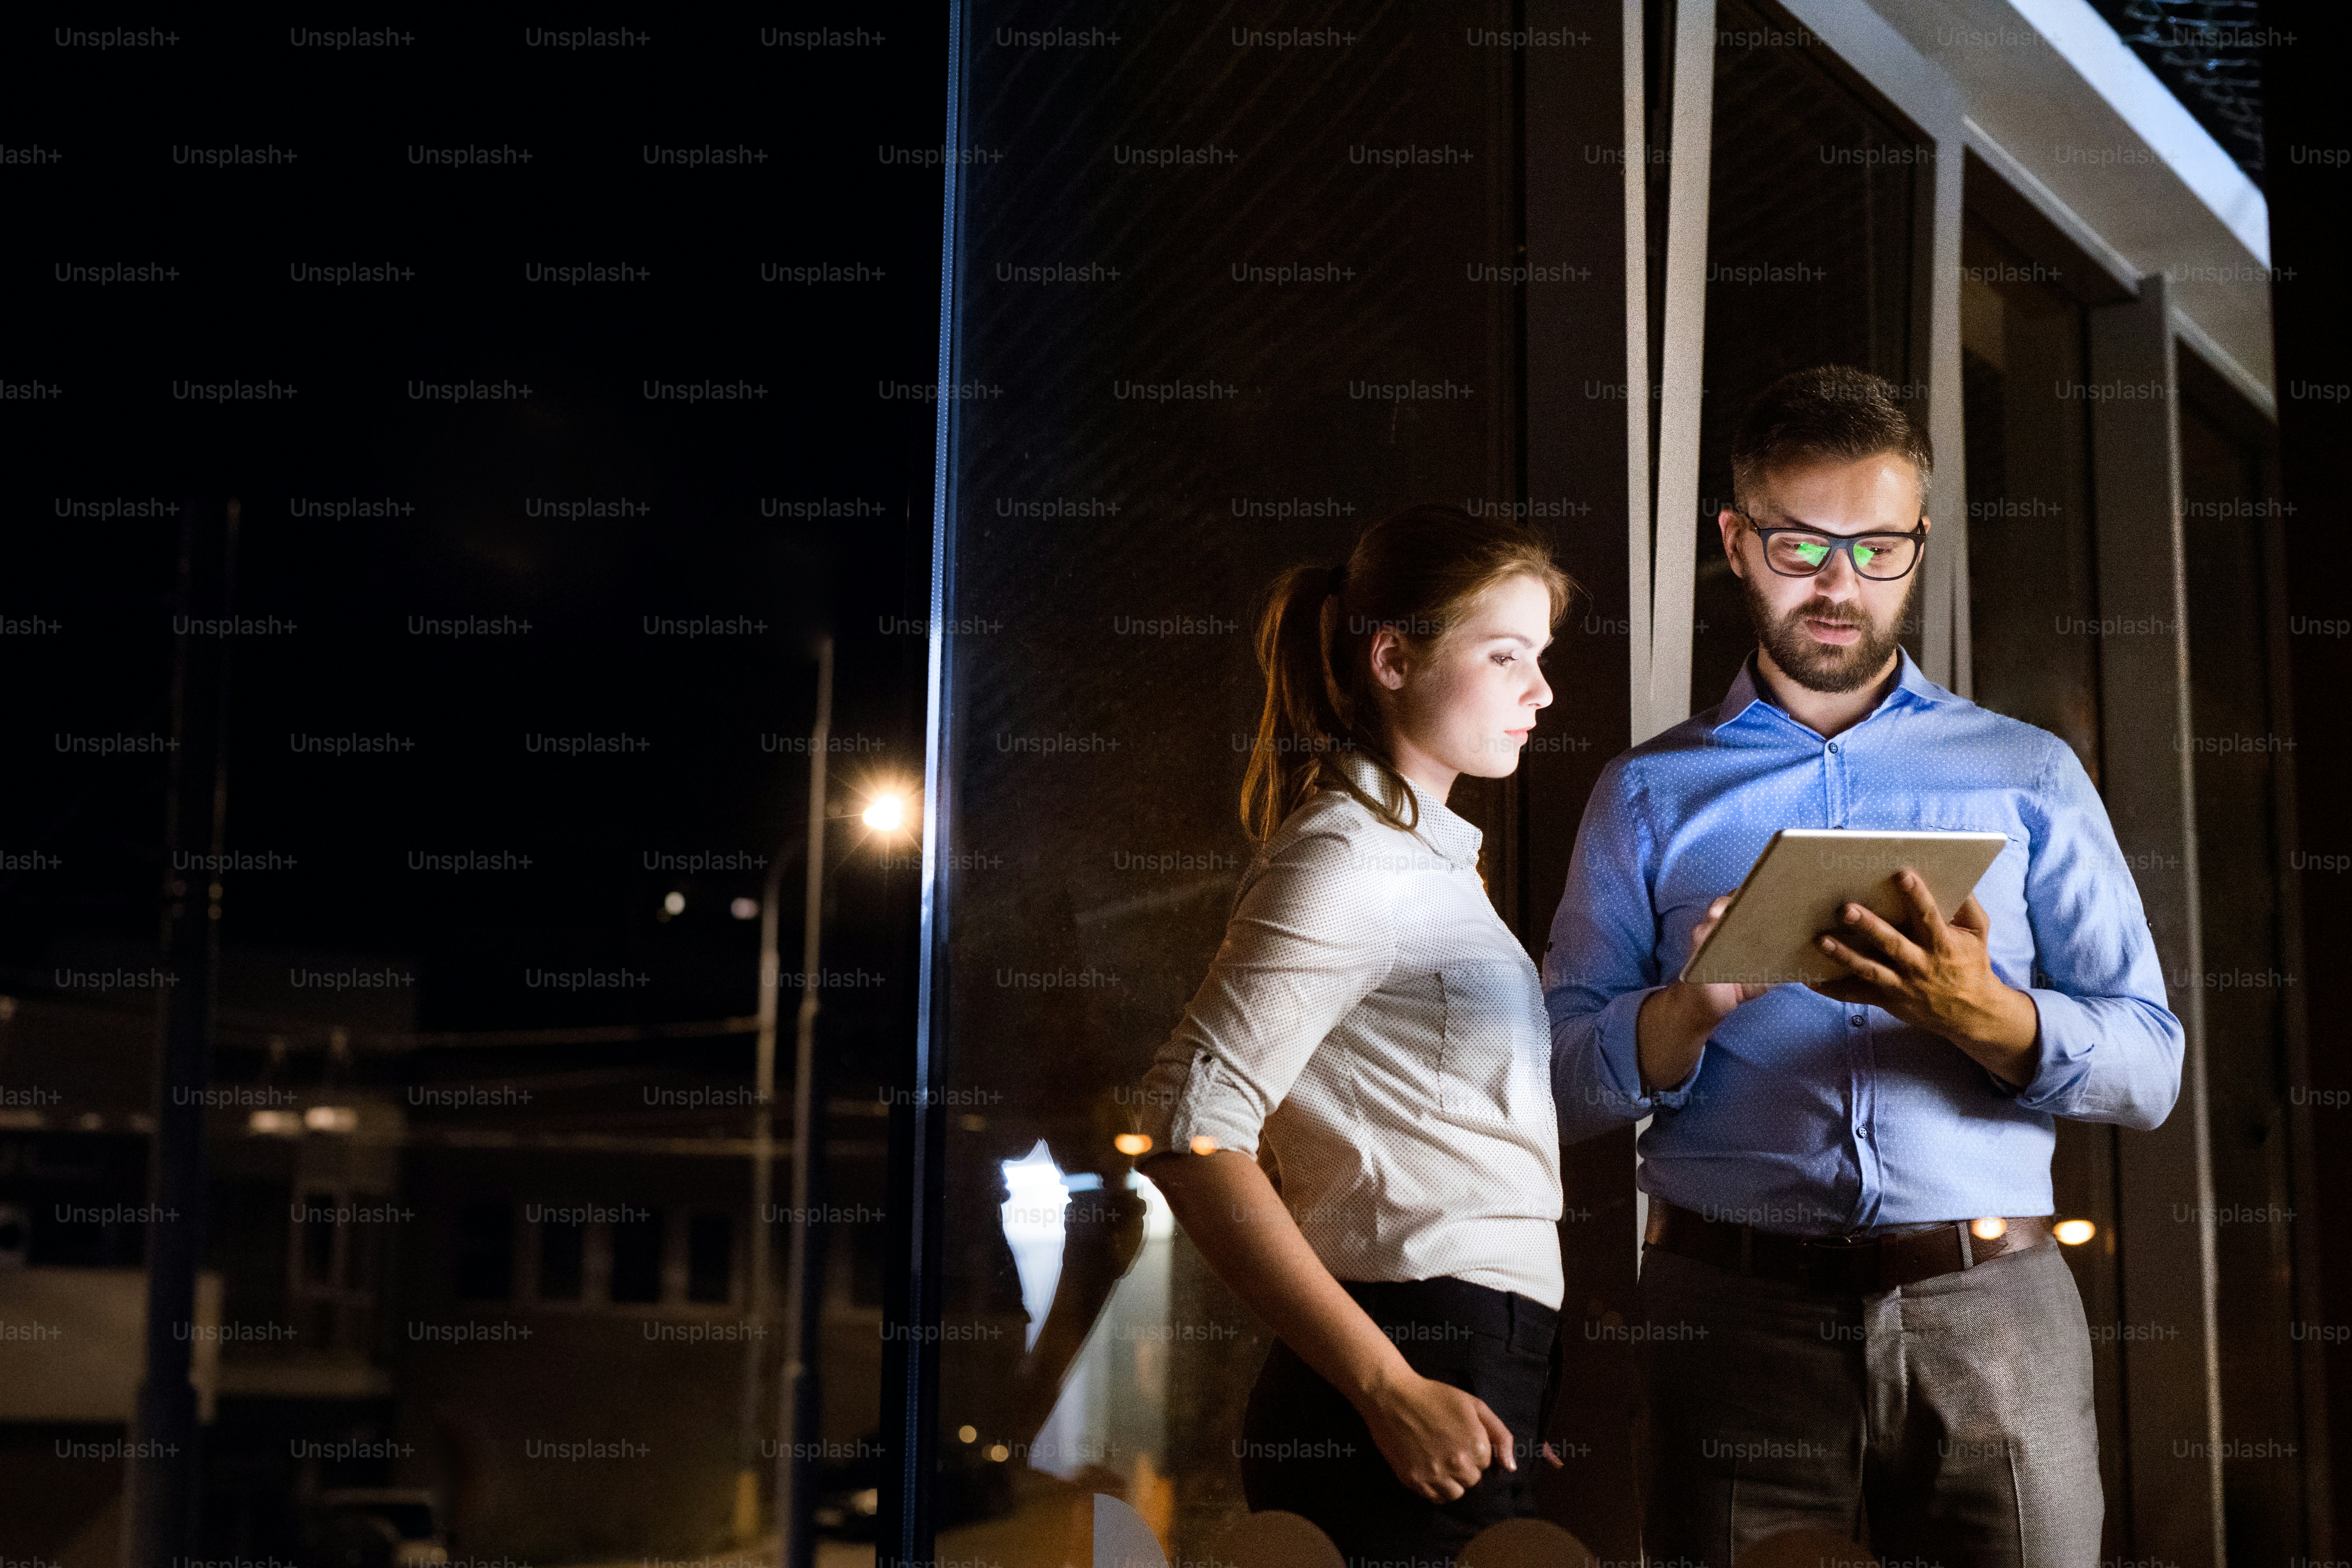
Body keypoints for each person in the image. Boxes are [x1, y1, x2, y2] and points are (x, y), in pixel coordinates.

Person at [1546, 365, 2182, 1563]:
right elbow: (1552, 1081)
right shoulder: (1646, 793)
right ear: (1735, 541)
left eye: (1879, 549)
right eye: (1800, 546)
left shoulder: (2029, 773)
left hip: (1997, 1308)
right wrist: (1686, 1010)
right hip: (1726, 1317)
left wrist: (1988, 1016)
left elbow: (2151, 1068)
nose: (1840, 585)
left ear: (1919, 545)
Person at [1134, 504, 1575, 1568]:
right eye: (1505, 655)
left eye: (1541, 656)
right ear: (1392, 659)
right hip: (1406, 1358)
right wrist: (1391, 1384)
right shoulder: (1348, 860)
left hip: (1464, 1359)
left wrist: (1490, 1375)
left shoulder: (1422, 862)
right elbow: (1185, 1127)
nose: (1541, 691)